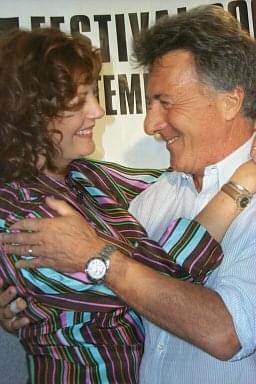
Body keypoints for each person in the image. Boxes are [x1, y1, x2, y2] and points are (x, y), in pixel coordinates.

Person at [1, 5, 256, 383]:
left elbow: (223, 332)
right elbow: (148, 280)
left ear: (231, 101)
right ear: (31, 113)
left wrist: (99, 260)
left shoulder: (95, 184)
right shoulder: (18, 210)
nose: (149, 123)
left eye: (165, 102)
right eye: (78, 100)